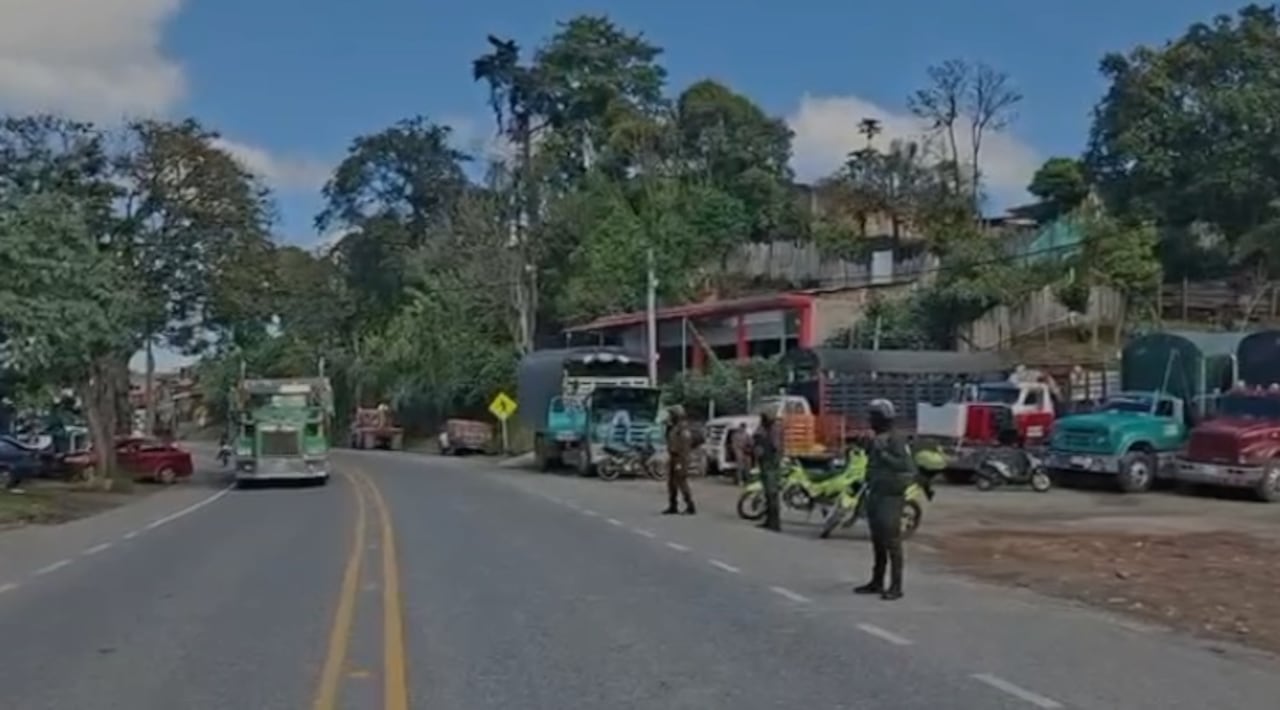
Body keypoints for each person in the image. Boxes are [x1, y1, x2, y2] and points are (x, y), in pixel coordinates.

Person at [853, 398, 915, 601]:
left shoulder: (896, 439)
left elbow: (906, 467)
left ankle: (896, 586)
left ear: (882, 418)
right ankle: (877, 581)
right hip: (876, 493)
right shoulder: (879, 437)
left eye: (873, 416)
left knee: (892, 542)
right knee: (878, 541)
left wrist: (884, 453)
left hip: (890, 496)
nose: (870, 420)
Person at [753, 411, 784, 531]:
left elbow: (775, 447)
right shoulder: (770, 430)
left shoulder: (772, 431)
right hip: (768, 464)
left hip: (770, 464)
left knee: (772, 494)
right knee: (769, 494)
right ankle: (769, 520)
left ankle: (774, 523)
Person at [662, 405, 696, 515]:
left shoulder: (683, 429)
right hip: (673, 457)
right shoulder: (673, 427)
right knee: (671, 483)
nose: (669, 416)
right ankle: (673, 505)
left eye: (671, 414)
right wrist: (668, 427)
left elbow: (685, 447)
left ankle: (690, 506)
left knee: (681, 482)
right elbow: (668, 440)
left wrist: (680, 462)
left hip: (681, 458)